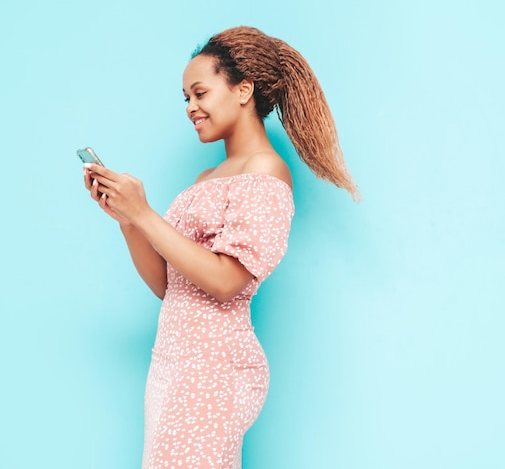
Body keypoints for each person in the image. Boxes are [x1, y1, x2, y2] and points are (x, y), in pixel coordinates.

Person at [83, 26, 359, 469]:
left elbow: (227, 281)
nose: (190, 108)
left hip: (213, 368)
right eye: (185, 98)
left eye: (200, 93)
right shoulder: (204, 182)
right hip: (174, 363)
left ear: (243, 90)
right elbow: (170, 286)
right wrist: (130, 222)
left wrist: (146, 213)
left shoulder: (266, 172)